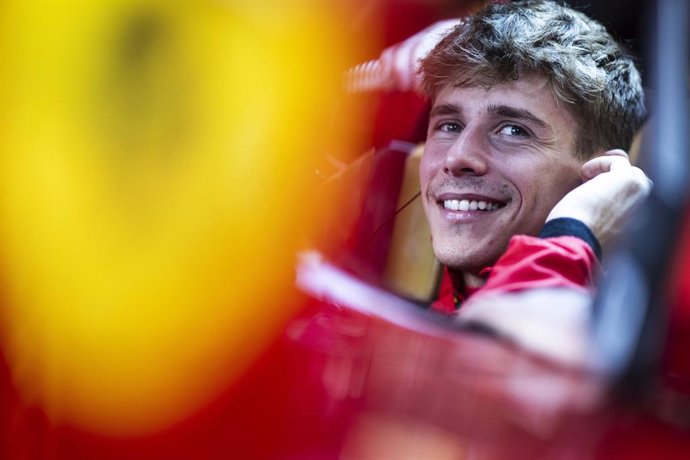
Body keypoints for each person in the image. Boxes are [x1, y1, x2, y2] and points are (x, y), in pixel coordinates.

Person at [377, 0, 651, 313]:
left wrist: (572, 230)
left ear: (600, 178)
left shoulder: (621, 335)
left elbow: (498, 343)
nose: (458, 157)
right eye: (450, 125)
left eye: (513, 131)